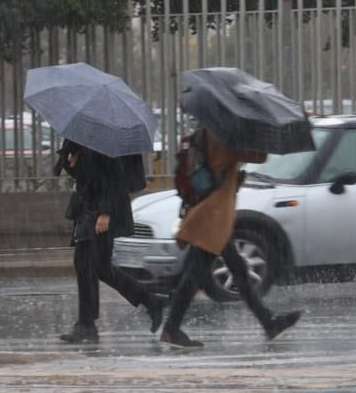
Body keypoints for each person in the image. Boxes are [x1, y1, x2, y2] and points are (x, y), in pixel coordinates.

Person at [160, 128, 303, 348]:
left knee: (236, 269)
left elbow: (220, 169)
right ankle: (171, 328)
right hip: (213, 215)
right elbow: (256, 156)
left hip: (210, 212)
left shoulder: (206, 133)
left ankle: (269, 323)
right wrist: (265, 135)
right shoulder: (221, 136)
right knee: (196, 273)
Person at [54, 140, 165, 343]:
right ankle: (150, 301)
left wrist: (105, 211)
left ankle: (86, 325)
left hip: (101, 211)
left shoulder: (104, 139)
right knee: (100, 267)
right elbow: (85, 176)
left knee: (85, 264)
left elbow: (113, 175)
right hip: (88, 207)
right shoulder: (82, 136)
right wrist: (71, 161)